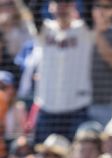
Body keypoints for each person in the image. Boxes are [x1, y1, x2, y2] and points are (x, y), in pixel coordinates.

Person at [15, 0, 94, 143]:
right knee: (44, 155)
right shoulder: (44, 29)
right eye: (58, 3)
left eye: (67, 3)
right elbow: (33, 8)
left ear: (74, 6)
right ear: (51, 7)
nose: (62, 7)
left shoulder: (84, 30)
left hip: (76, 107)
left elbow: (90, 8)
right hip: (47, 107)